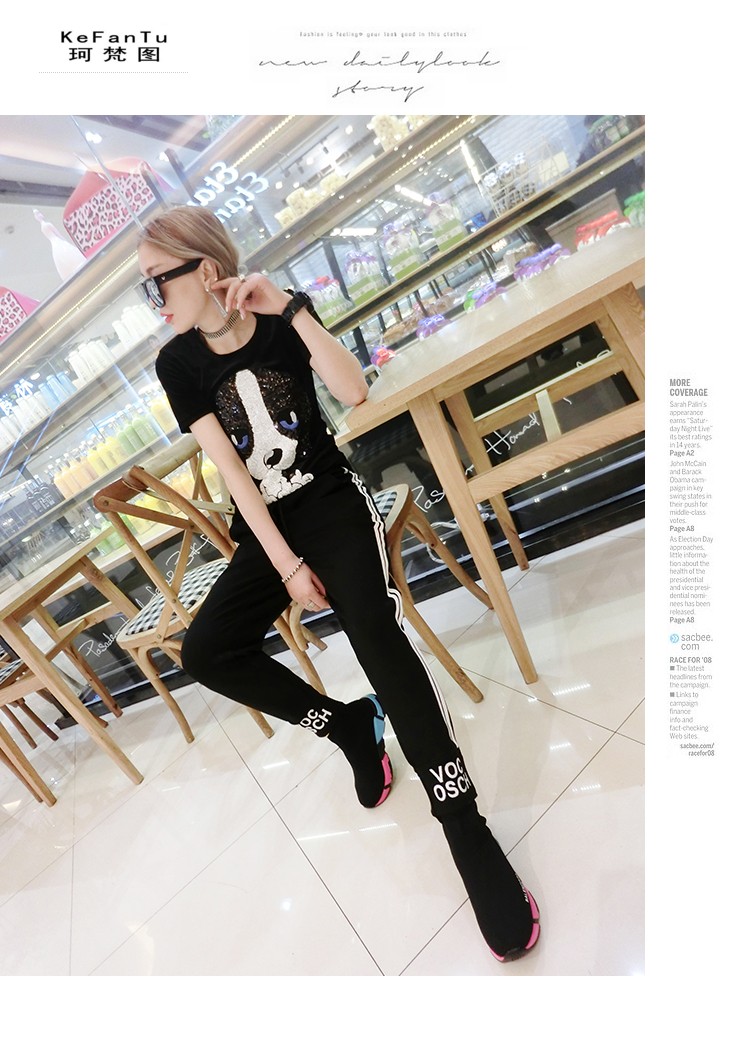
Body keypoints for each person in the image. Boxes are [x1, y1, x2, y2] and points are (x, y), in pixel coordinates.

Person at [138, 205, 540, 963]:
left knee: (376, 636)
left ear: (205, 266)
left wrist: (291, 308)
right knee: (207, 652)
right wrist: (286, 566)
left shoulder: (279, 314)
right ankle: (350, 727)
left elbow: (354, 392)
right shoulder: (177, 363)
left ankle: (462, 822)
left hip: (330, 503)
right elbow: (233, 474)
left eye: (157, 281)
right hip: (267, 529)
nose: (153, 301)